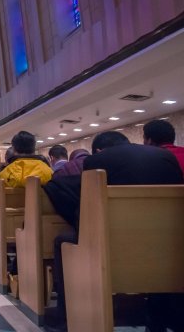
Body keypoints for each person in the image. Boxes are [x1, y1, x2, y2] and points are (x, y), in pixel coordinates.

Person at [46, 131, 183, 332]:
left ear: (99, 150)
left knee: (62, 242)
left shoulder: (97, 161)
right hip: (171, 246)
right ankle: (157, 319)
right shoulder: (165, 156)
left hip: (115, 245)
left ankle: (66, 319)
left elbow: (88, 203)